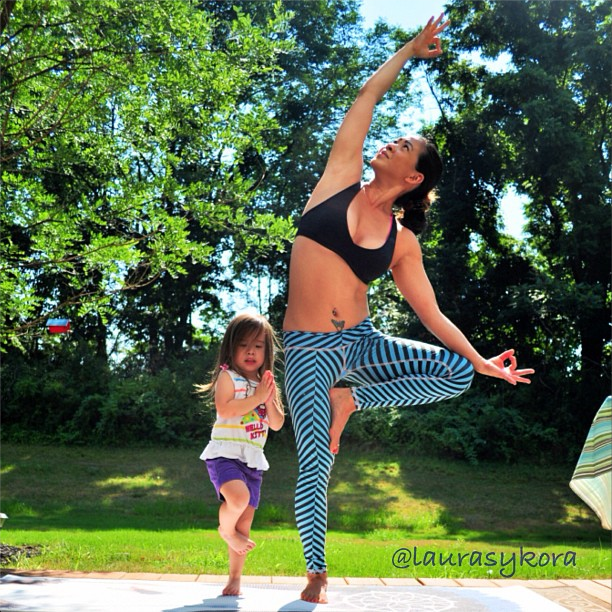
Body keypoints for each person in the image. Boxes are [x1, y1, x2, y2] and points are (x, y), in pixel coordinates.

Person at [282, 15, 534, 604]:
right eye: (395, 138)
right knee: (315, 461)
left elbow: (433, 316)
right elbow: (367, 96)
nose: (391, 141)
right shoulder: (339, 178)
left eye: (404, 146)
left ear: (413, 176)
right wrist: (409, 50)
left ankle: (352, 399)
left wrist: (481, 361)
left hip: (362, 343)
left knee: (456, 373)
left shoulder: (403, 242)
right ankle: (317, 571)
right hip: (307, 350)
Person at [199, 313, 284, 596]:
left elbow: (276, 423)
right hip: (225, 453)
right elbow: (225, 408)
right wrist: (256, 398)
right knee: (238, 499)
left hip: (253, 459)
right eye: (243, 345)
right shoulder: (228, 377)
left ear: (266, 351)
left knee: (244, 525)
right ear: (231, 348)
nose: (250, 351)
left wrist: (267, 398)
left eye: (258, 346)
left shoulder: (266, 384)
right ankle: (225, 530)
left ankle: (235, 578)